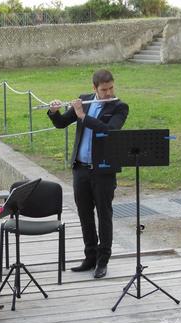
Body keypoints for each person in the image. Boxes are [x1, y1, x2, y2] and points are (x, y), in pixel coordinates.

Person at [47, 69, 129, 279]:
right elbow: (61, 124)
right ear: (95, 89)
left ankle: (103, 261)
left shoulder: (119, 107)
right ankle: (90, 257)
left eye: (111, 88)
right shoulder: (84, 101)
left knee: (104, 215)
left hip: (103, 170)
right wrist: (54, 111)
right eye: (104, 90)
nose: (109, 93)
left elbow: (108, 130)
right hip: (81, 169)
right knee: (85, 214)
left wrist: (83, 116)